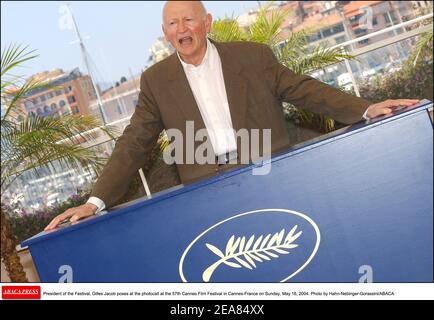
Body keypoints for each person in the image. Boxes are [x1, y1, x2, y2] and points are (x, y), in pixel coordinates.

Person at [45, 1, 419, 230]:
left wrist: (365, 108)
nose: (182, 30)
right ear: (165, 33)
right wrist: (95, 203)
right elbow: (134, 142)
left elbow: (303, 89)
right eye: (173, 24)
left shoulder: (251, 56)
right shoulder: (156, 81)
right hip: (207, 195)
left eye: (188, 21)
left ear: (206, 23)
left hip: (273, 176)